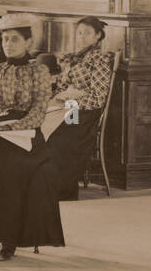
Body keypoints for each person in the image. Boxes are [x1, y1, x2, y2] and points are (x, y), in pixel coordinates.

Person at [0, 13, 64, 260]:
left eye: (15, 39)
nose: (9, 44)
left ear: (28, 42)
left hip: (26, 137)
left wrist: (9, 128)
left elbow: (39, 112)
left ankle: (9, 239)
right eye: (5, 39)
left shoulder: (38, 70)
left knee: (7, 167)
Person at [46, 16, 115, 201]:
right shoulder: (76, 57)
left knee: (59, 134)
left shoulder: (99, 59)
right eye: (79, 33)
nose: (82, 37)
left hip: (85, 112)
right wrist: (57, 100)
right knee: (40, 125)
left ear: (98, 36)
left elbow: (98, 97)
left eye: (87, 33)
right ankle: (45, 184)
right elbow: (63, 85)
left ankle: (63, 188)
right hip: (69, 106)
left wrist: (70, 104)